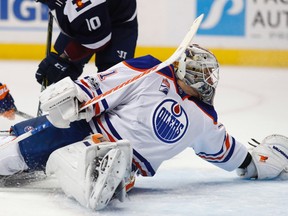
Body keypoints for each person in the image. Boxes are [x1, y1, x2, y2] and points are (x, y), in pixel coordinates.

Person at [0, 44, 288, 210]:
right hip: (85, 128)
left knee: (74, 164)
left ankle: (106, 172)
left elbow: (231, 154)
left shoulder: (205, 120)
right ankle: (100, 169)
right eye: (205, 74)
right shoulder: (151, 71)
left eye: (211, 76)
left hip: (127, 161)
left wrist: (259, 163)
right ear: (186, 70)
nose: (210, 82)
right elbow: (102, 85)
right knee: (19, 146)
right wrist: (76, 96)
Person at [34, 0, 138, 86]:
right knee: (61, 73)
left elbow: (98, 40)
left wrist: (64, 57)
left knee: (112, 77)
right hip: (86, 13)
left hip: (119, 21)